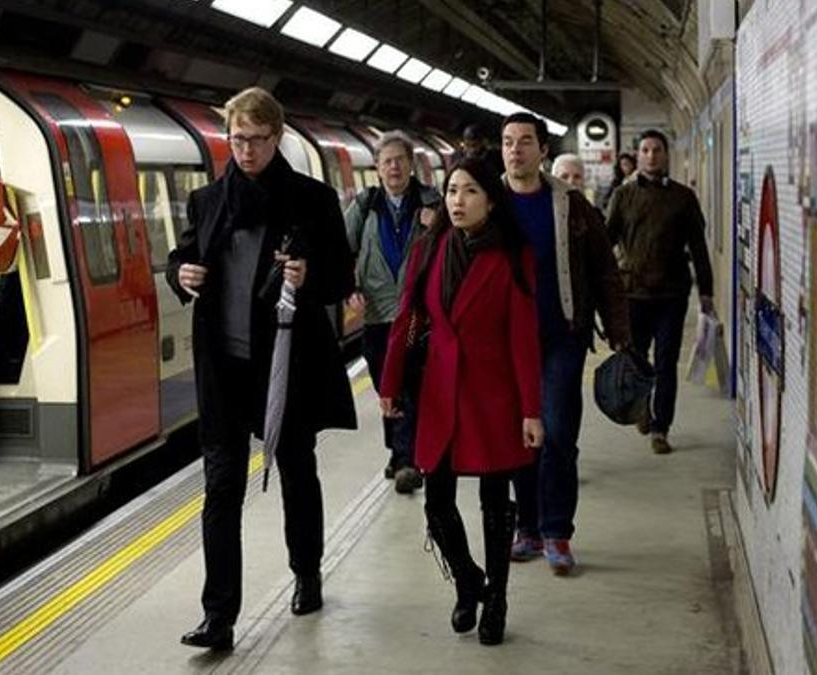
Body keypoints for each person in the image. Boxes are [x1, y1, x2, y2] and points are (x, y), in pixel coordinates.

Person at [166, 87, 356, 651]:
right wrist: (183, 274)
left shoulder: (313, 201)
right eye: (236, 138)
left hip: (286, 368)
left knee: (298, 474)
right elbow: (183, 256)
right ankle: (218, 616)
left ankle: (307, 570)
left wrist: (307, 276)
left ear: (277, 138)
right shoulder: (207, 202)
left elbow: (342, 278)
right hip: (225, 369)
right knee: (220, 488)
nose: (244, 150)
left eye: (255, 139)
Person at [378, 154, 544, 646]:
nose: (458, 200)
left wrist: (531, 408)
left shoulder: (513, 256)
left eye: (470, 191)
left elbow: (523, 338)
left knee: (496, 502)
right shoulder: (430, 248)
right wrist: (388, 384)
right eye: (452, 191)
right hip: (439, 393)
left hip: (493, 396)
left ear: (491, 200)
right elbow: (407, 318)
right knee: (437, 506)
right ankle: (469, 579)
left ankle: (496, 601)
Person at [501, 113, 629, 575]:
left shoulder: (572, 205)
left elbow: (604, 270)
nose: (515, 150)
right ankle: (527, 528)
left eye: (525, 142)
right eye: (508, 142)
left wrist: (618, 328)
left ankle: (557, 531)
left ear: (542, 152)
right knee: (520, 436)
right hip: (506, 344)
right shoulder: (487, 200)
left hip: (561, 336)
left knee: (557, 432)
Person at [606, 129, 715, 455]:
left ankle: (660, 427)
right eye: (645, 150)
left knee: (666, 362)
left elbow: (698, 247)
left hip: (671, 294)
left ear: (666, 155)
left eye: (657, 150)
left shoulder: (683, 198)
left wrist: (706, 291)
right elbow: (607, 242)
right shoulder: (623, 196)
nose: (651, 156)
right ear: (637, 156)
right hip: (633, 292)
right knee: (637, 359)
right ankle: (642, 407)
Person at [343, 130, 440, 493]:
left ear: (411, 165)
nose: (394, 167)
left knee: (412, 383)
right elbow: (341, 249)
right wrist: (348, 288)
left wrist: (438, 228)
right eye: (387, 161)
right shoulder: (366, 205)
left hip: (420, 314)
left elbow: (456, 249)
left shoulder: (433, 203)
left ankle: (407, 459)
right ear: (378, 168)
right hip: (379, 315)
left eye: (400, 160)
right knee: (387, 384)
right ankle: (399, 452)